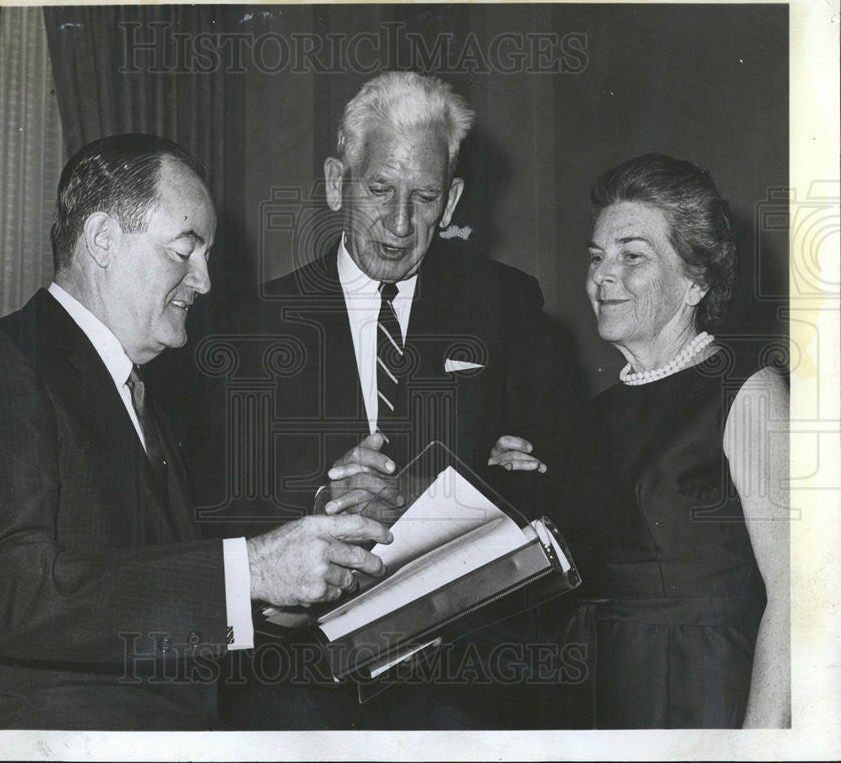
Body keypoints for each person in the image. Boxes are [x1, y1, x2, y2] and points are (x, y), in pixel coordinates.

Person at [0, 134, 393, 730]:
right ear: (104, 239)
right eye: (185, 249)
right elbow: (1, 589)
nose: (204, 280)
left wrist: (298, 579)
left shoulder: (145, 402)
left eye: (206, 254)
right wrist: (252, 569)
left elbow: (155, 610)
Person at [182, 72, 581, 729]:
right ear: (338, 182)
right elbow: (210, 518)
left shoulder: (506, 306)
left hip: (461, 692)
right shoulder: (245, 328)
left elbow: (559, 487)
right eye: (378, 191)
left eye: (424, 197)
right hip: (297, 692)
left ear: (451, 201)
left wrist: (426, 495)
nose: (400, 225)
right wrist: (314, 516)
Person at [490, 153, 790, 728]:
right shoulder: (595, 415)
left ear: (696, 280)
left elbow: (798, 600)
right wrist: (518, 493)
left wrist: (761, 747)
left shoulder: (746, 392)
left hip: (704, 693)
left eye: (633, 257)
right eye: (597, 257)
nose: (603, 276)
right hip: (602, 693)